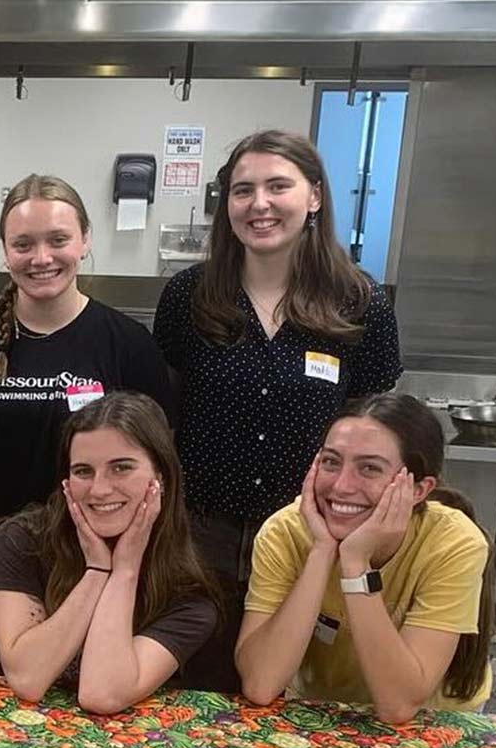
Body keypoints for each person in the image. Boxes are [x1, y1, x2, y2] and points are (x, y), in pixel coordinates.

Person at [153, 129, 401, 691]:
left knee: (295, 691)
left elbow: (379, 429)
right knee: (193, 687)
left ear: (314, 196)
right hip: (200, 536)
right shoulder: (188, 296)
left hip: (309, 535)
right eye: (243, 190)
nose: (259, 204)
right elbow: (161, 416)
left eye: (277, 186)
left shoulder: (359, 301)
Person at [0, 175, 173, 673]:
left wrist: (140, 569)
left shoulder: (127, 345)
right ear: (4, 250)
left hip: (95, 567)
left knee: (87, 711)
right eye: (23, 244)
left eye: (58, 240)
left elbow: (159, 472)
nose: (42, 258)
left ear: (85, 240)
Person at [237, 394, 494, 723]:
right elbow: (261, 684)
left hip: (432, 719)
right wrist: (322, 551)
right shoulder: (285, 531)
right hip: (324, 711)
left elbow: (398, 705)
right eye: (331, 462)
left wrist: (356, 564)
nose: (341, 486)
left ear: (418, 490)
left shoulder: (454, 543)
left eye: (369, 468)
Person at [0, 392, 222, 712]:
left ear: (161, 478)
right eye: (83, 471)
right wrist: (96, 570)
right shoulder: (23, 540)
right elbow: (27, 679)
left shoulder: (189, 594)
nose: (99, 490)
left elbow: (101, 694)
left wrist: (124, 571)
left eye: (121, 467)